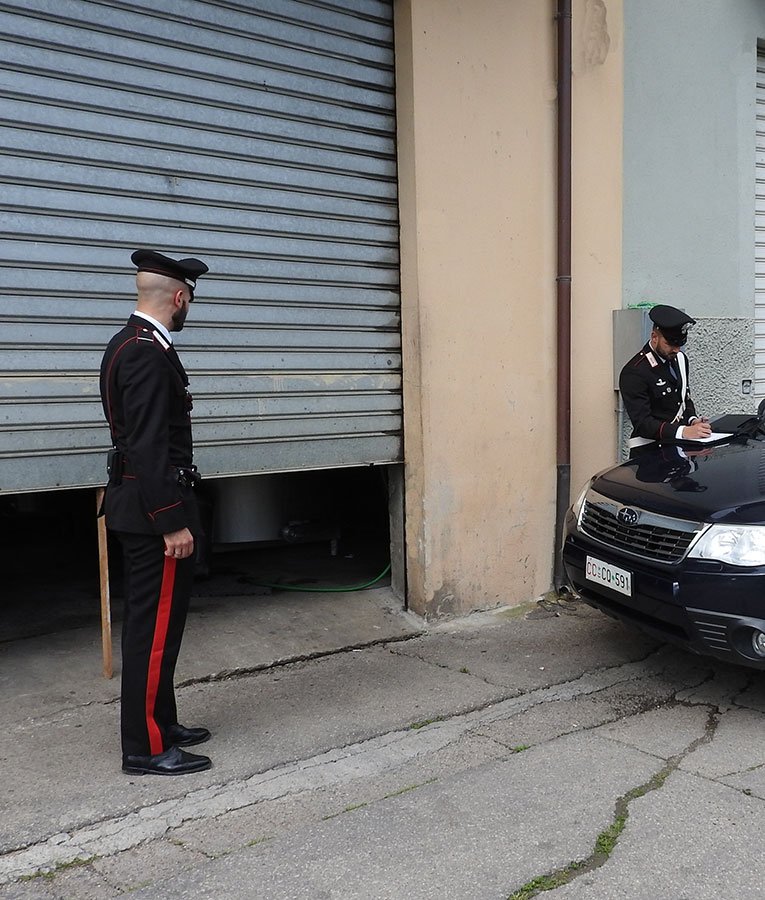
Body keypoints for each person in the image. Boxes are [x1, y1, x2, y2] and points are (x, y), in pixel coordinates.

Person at [99, 249, 212, 776]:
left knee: (163, 630)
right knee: (152, 630)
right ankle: (145, 747)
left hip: (143, 505)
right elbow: (146, 446)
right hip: (152, 514)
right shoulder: (145, 352)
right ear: (180, 296)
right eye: (190, 299)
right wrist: (171, 520)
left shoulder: (133, 343)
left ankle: (161, 723)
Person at [619, 304, 711, 451]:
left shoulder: (680, 359)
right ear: (654, 337)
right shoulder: (635, 371)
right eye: (670, 344)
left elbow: (684, 398)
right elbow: (643, 423)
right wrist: (683, 431)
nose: (676, 349)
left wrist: (693, 420)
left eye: (680, 344)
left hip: (679, 448)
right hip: (651, 453)